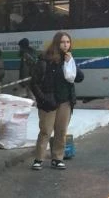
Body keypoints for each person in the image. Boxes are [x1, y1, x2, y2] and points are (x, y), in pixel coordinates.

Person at [30, 31, 84, 170]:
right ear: (56, 43)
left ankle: (57, 158)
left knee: (61, 131)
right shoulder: (45, 60)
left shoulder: (69, 59)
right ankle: (39, 159)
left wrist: (71, 62)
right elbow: (34, 83)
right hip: (49, 102)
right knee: (45, 131)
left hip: (65, 101)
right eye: (62, 42)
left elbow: (79, 77)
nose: (65, 45)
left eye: (68, 42)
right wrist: (43, 98)